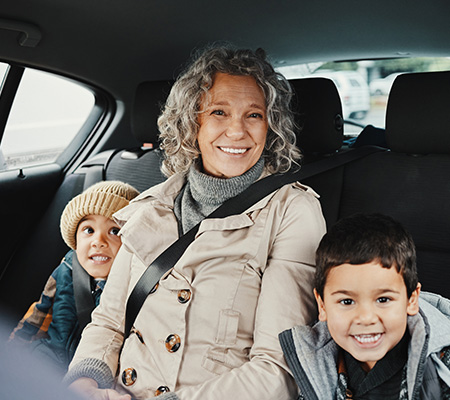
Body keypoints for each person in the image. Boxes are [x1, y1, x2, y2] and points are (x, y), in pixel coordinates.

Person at [64, 45, 326, 400]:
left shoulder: (293, 211)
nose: (237, 131)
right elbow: (109, 322)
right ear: (193, 122)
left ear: (270, 127)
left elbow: (280, 368)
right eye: (219, 112)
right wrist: (85, 383)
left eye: (254, 115)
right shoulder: (148, 207)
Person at [280, 213, 450, 399]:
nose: (365, 318)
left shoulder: (442, 365)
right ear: (322, 306)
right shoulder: (313, 368)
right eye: (347, 302)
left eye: (383, 300)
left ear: (411, 300)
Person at [9, 181, 140, 372]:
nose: (98, 241)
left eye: (114, 231)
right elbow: (38, 318)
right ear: (76, 240)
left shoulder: (137, 283)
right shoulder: (67, 269)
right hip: (50, 359)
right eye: (89, 230)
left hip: (99, 372)